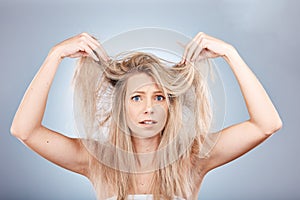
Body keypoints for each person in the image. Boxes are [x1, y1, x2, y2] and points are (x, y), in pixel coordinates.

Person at [11, 32, 282, 200]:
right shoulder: (96, 159)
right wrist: (54, 55)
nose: (148, 108)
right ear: (122, 107)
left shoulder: (193, 157)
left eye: (159, 97)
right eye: (137, 97)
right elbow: (25, 131)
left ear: (169, 106)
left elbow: (267, 124)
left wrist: (230, 53)